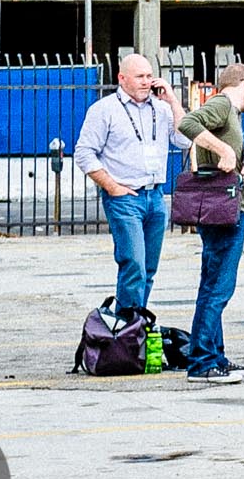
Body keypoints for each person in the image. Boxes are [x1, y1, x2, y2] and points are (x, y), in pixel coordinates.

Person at [75, 51, 187, 316]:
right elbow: (84, 153)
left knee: (148, 268)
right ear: (122, 78)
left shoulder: (161, 109)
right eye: (140, 76)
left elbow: (185, 139)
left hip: (155, 195)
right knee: (133, 264)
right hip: (125, 196)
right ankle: (124, 327)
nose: (146, 82)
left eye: (150, 76)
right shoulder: (105, 109)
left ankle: (136, 323)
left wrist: (172, 100)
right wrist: (112, 186)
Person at [177, 62, 244, 384]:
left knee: (213, 285)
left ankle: (216, 356)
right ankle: (201, 362)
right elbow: (188, 123)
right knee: (218, 288)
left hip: (225, 208)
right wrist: (223, 148)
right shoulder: (223, 104)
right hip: (224, 212)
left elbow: (235, 156)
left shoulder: (231, 115)